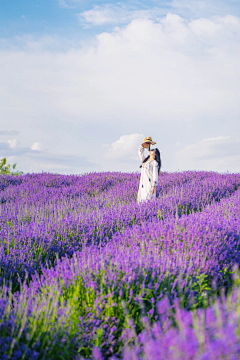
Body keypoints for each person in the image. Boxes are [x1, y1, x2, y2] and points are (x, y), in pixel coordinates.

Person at [137, 136, 161, 204]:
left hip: (149, 184)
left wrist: (153, 186)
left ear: (155, 154)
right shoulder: (145, 161)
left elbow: (155, 175)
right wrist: (144, 145)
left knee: (148, 199)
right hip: (143, 184)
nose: (151, 150)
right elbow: (140, 152)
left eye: (153, 151)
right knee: (141, 199)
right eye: (152, 149)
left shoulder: (155, 163)